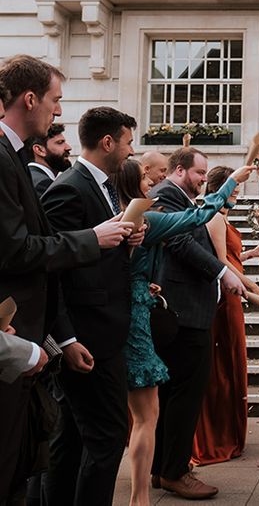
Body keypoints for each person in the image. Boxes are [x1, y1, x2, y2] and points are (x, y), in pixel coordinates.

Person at [0, 56, 131, 503]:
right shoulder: (10, 160)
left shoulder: (16, 156)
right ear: (30, 98)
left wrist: (59, 338)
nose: (59, 113)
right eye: (55, 101)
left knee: (48, 451)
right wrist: (93, 239)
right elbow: (20, 250)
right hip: (19, 338)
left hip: (44, 338)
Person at [111, 159, 256, 506]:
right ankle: (166, 476)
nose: (153, 181)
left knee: (161, 403)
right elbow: (190, 227)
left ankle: (163, 469)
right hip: (175, 312)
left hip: (153, 303)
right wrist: (230, 183)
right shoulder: (152, 209)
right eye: (147, 178)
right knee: (166, 403)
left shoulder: (133, 215)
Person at [41, 107, 143, 506]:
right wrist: (64, 338)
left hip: (103, 329)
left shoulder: (102, 184)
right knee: (108, 436)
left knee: (71, 437)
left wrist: (125, 239)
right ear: (108, 142)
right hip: (87, 336)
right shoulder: (70, 186)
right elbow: (53, 269)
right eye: (128, 142)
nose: (130, 151)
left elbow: (91, 250)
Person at [150, 147, 246, 500]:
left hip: (188, 310)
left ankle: (163, 468)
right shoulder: (164, 197)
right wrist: (222, 272)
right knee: (184, 395)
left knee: (173, 393)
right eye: (199, 173)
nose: (203, 179)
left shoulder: (180, 197)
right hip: (182, 312)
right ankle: (174, 471)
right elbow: (177, 241)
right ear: (179, 170)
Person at [192, 165, 259, 466]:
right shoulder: (214, 217)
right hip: (225, 301)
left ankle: (226, 432)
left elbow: (231, 257)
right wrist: (257, 291)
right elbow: (223, 266)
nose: (236, 194)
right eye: (233, 189)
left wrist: (250, 253)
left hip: (232, 297)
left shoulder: (220, 217)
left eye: (236, 190)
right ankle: (217, 437)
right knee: (224, 367)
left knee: (230, 364)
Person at [28, 123, 72, 196]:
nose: (68, 147)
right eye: (60, 142)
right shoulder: (42, 184)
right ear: (39, 150)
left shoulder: (29, 177)